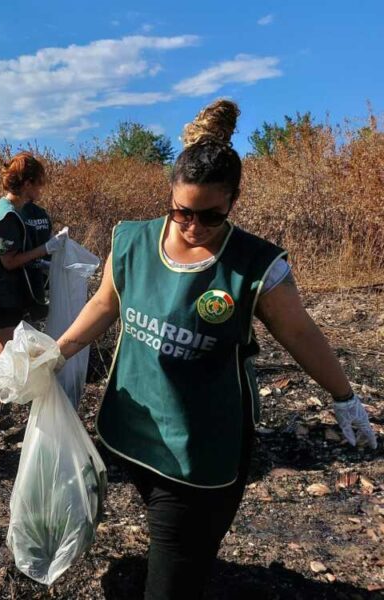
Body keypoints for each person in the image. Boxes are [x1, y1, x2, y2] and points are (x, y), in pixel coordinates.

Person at [55, 99, 378, 599]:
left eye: (210, 216)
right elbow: (105, 304)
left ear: (233, 202)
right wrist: (56, 353)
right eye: (181, 211)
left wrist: (344, 397)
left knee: (180, 554)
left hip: (202, 446)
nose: (192, 226)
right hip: (135, 431)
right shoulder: (132, 242)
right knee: (185, 546)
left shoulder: (255, 266)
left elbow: (300, 333)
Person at [0, 152, 68, 418]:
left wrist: (47, 264)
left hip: (7, 294)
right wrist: (45, 249)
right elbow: (9, 261)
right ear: (26, 184)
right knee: (13, 355)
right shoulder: (8, 215)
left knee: (5, 352)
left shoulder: (18, 211)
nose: (41, 189)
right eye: (38, 183)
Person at [21, 196, 53, 322]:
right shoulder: (41, 213)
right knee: (36, 315)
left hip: (22, 273)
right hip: (39, 273)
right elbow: (50, 237)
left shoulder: (14, 213)